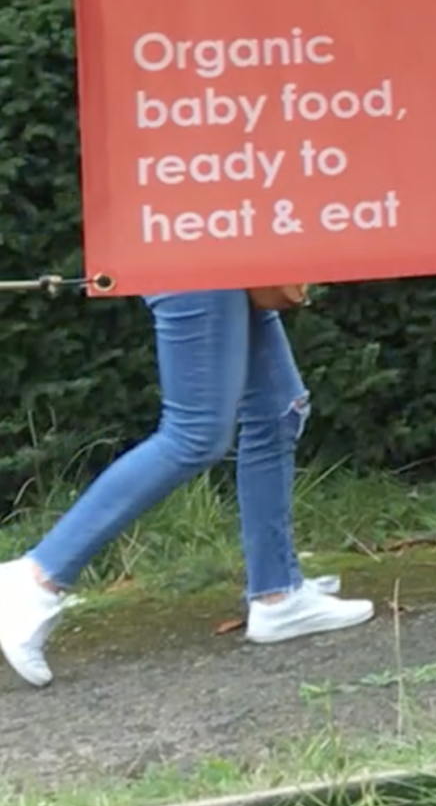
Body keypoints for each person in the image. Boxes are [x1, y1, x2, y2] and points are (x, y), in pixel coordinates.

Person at [0, 285, 375, 687]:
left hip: (220, 252)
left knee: (277, 409)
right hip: (192, 252)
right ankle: (35, 580)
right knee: (195, 434)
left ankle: (277, 594)